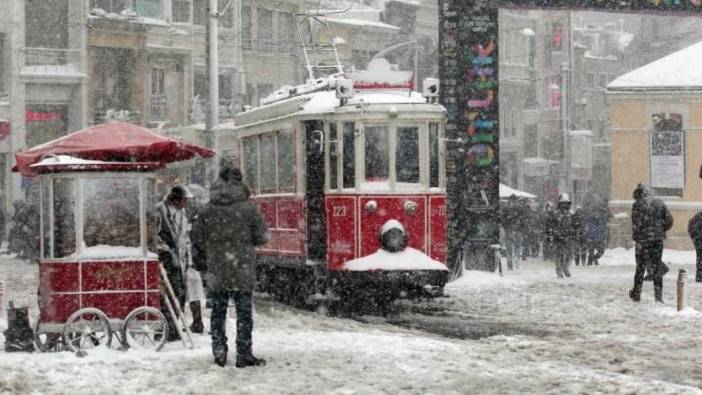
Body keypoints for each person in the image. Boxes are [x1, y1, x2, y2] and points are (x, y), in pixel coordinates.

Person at [191, 165, 269, 368]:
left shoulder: (207, 208)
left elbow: (197, 238)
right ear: (240, 181)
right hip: (242, 266)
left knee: (218, 311)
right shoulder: (249, 208)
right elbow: (262, 237)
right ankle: (244, 353)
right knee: (244, 312)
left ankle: (219, 350)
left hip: (217, 268)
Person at [156, 184, 197, 340]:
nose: (187, 203)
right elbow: (154, 234)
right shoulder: (161, 210)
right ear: (177, 200)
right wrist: (166, 251)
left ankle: (174, 328)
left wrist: (188, 259)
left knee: (180, 294)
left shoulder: (182, 213)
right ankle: (166, 328)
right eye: (185, 200)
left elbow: (184, 236)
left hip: (180, 261)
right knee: (168, 295)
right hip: (168, 260)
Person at [629, 183, 672, 303]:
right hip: (657, 240)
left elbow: (635, 223)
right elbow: (669, 220)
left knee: (640, 268)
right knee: (657, 266)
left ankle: (637, 293)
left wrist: (637, 237)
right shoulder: (660, 203)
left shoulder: (637, 205)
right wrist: (660, 230)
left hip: (642, 240)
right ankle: (658, 296)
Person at [548, 193, 573, 278]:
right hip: (558, 237)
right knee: (559, 255)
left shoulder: (570, 214)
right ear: (560, 203)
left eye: (566, 203)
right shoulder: (555, 213)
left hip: (568, 236)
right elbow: (550, 225)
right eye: (563, 203)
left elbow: (575, 225)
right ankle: (559, 270)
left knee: (569, 254)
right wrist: (552, 234)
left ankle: (566, 268)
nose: (565, 205)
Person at [500, 194, 524, 271]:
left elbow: (502, 220)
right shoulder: (520, 208)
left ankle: (509, 263)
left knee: (509, 248)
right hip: (518, 230)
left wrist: (506, 227)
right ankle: (516, 258)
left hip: (508, 230)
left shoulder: (505, 208)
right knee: (518, 247)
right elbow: (524, 220)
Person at [584, 198, 609, 266]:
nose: (597, 214)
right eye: (595, 213)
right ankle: (589, 263)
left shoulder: (603, 219)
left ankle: (595, 258)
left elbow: (606, 225)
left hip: (600, 237)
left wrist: (605, 235)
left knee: (601, 251)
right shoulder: (590, 220)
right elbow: (587, 227)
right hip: (592, 237)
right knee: (591, 251)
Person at [688, 210, 702, 282]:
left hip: (698, 240)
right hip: (699, 241)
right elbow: (692, 227)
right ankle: (700, 277)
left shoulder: (698, 216)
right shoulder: (699, 217)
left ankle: (700, 277)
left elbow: (691, 226)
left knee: (700, 259)